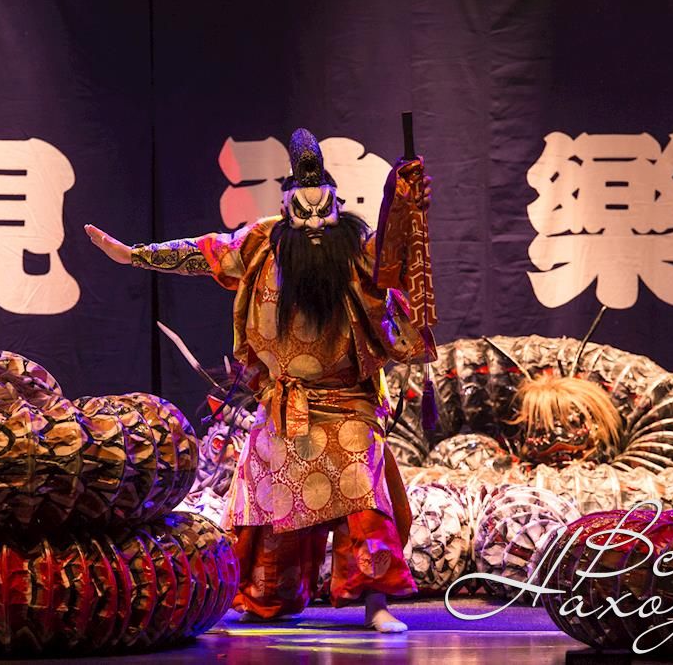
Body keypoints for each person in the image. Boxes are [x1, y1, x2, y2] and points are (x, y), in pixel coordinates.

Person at [86, 128, 435, 632]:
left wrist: (403, 195)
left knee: (364, 496)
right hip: (285, 401)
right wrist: (136, 255)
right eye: (303, 213)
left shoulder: (357, 247)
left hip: (347, 402)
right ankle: (267, 598)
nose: (314, 225)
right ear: (287, 207)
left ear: (336, 204)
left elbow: (396, 251)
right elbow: (204, 252)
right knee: (272, 503)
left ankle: (375, 604)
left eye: (323, 211)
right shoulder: (260, 244)